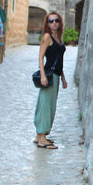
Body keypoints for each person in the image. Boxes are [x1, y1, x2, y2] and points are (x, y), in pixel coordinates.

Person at [34, 12, 68, 149]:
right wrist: (42, 75)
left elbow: (59, 60)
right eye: (51, 21)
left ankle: (39, 136)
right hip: (49, 75)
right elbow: (41, 57)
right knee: (45, 104)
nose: (54, 23)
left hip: (56, 75)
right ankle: (42, 137)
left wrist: (63, 78)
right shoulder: (47, 37)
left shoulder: (58, 37)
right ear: (47, 24)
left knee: (49, 104)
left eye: (56, 20)